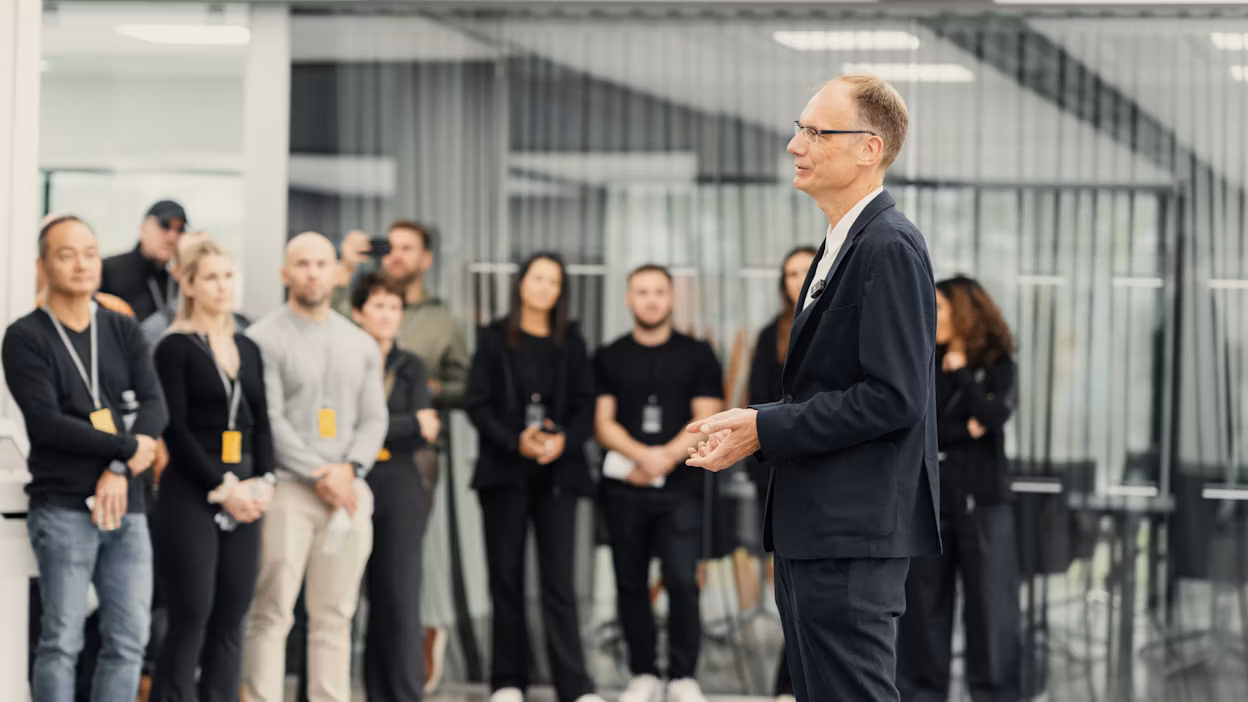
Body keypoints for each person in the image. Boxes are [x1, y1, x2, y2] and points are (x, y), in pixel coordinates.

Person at [686, 74, 941, 702]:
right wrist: (756, 423)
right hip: (817, 528)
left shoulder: (889, 246)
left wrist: (766, 428)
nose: (795, 145)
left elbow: (893, 397)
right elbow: (833, 386)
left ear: (868, 149)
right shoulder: (839, 244)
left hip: (851, 533)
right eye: (800, 129)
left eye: (815, 131)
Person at [4, 214, 168, 702]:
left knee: (128, 639)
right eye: (67, 254)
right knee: (61, 640)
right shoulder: (25, 336)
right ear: (42, 265)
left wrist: (118, 470)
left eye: (91, 253)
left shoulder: (121, 327)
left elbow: (156, 406)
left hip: (128, 505)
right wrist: (126, 448)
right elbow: (47, 423)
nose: (82, 264)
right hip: (63, 503)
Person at [242, 232, 388, 702]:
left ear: (336, 272)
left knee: (335, 615)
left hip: (348, 492)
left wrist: (350, 468)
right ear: (285, 273)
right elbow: (270, 420)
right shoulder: (262, 338)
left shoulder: (360, 342)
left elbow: (374, 418)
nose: (312, 273)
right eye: (302, 264)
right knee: (272, 611)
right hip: (289, 489)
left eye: (321, 263)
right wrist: (320, 473)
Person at [463, 253, 605, 702]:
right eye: (538, 278)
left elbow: (586, 405)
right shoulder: (492, 338)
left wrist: (564, 440)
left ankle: (574, 686)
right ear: (522, 283)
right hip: (505, 473)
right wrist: (514, 440)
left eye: (554, 282)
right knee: (505, 578)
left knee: (558, 582)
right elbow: (477, 403)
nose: (545, 288)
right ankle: (508, 681)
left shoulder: (573, 341)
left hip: (558, 474)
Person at [149, 238, 278, 702]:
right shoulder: (174, 348)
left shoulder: (249, 346)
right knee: (193, 613)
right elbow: (175, 430)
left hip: (247, 493)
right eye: (210, 277)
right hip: (193, 490)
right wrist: (223, 488)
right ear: (188, 283)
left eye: (228, 276)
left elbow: (261, 422)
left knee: (232, 615)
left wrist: (264, 481)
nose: (222, 286)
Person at [593, 264, 724, 702]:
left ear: (672, 300)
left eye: (659, 292)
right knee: (629, 580)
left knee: (682, 580)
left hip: (682, 487)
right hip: (625, 486)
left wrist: (663, 457)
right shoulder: (609, 355)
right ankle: (643, 672)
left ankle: (684, 675)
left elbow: (708, 416)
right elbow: (603, 422)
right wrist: (641, 456)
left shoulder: (699, 353)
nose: (650, 300)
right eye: (641, 292)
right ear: (628, 299)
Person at [897, 276, 1020, 702]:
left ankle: (994, 695)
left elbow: (993, 416)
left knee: (991, 610)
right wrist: (968, 428)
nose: (931, 317)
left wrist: (964, 373)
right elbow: (916, 428)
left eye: (941, 309)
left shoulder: (998, 363)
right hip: (930, 501)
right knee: (924, 611)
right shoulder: (920, 359)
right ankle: (920, 696)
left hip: (983, 504)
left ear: (964, 314)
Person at [350, 271, 442, 702]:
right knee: (343, 598)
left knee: (399, 597)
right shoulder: (345, 359)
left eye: (394, 306)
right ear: (358, 312)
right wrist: (402, 426)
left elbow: (426, 429)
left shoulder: (411, 365)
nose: (388, 315)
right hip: (352, 478)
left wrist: (386, 429)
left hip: (401, 482)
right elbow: (343, 429)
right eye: (378, 306)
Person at [744, 246, 816, 702]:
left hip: (821, 473)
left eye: (805, 270)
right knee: (787, 589)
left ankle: (797, 685)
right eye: (790, 272)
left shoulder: (833, 325)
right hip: (776, 477)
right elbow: (755, 404)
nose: (798, 279)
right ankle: (787, 686)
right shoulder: (771, 334)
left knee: (816, 592)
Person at [335, 222, 470, 409]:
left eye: (406, 248)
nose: (396, 255)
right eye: (390, 248)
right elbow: (324, 322)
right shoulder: (362, 309)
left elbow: (467, 388)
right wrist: (345, 268)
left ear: (426, 258)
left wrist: (431, 389)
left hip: (421, 431)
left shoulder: (444, 322)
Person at [141, 231, 251, 348]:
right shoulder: (157, 331)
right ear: (177, 271)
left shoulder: (243, 327)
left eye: (227, 275)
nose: (222, 285)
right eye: (191, 257)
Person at [100, 200, 188, 323]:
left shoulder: (177, 280)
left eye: (180, 229)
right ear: (144, 227)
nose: (172, 237)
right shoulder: (108, 269)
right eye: (164, 226)